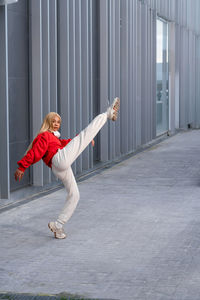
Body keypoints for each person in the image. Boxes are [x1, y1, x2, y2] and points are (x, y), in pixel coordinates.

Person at [15, 97, 120, 239]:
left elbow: (66, 143)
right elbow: (35, 153)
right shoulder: (44, 136)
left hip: (59, 166)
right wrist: (22, 167)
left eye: (58, 122)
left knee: (75, 195)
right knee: (85, 135)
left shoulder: (55, 138)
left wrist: (82, 140)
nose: (56, 124)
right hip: (58, 160)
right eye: (54, 121)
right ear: (48, 122)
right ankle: (107, 113)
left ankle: (57, 225)